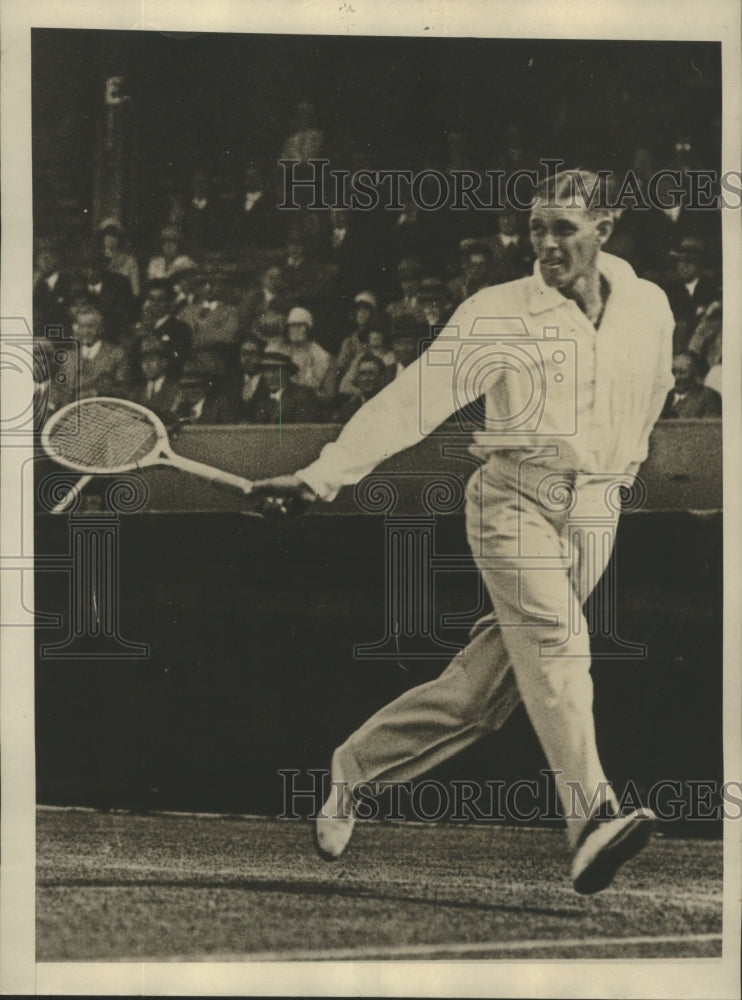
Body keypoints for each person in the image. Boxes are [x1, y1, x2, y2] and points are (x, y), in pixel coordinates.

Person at [250, 170, 675, 895]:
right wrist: (324, 474)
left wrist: (614, 477)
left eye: (564, 229)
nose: (545, 244)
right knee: (560, 646)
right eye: (537, 227)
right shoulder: (497, 312)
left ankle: (353, 768)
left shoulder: (650, 305)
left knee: (481, 697)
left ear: (605, 228)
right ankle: (590, 819)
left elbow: (654, 392)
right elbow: (412, 401)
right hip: (512, 500)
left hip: (599, 508)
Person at [242, 352, 323, 424]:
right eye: (266, 371)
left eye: (275, 371)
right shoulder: (260, 399)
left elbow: (304, 431)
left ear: (287, 373)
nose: (269, 376)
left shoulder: (303, 396)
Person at [660, 351, 722, 419]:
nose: (676, 377)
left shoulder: (708, 397)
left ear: (694, 374)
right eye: (673, 372)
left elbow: (711, 427)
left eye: (682, 372)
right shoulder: (663, 397)